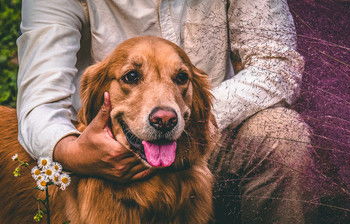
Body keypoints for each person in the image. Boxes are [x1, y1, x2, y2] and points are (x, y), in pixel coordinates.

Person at [17, 0, 312, 223]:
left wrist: (196, 119)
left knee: (282, 133)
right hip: (107, 154)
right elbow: (40, 103)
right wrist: (77, 154)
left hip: (213, 134)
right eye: (131, 77)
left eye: (180, 77)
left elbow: (277, 66)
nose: (162, 112)